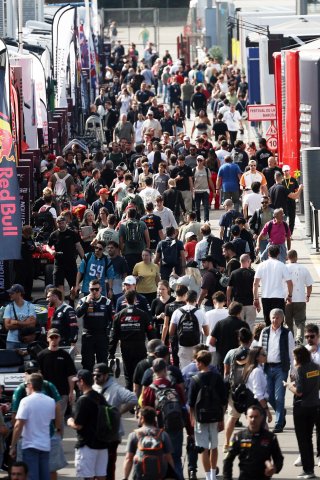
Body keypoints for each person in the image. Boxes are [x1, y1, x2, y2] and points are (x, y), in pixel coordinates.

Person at [141, 358, 186, 480]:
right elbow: (183, 406)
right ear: (166, 370)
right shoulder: (175, 386)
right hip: (175, 426)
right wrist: (190, 431)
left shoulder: (150, 389)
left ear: (153, 371)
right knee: (176, 459)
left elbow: (145, 410)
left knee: (159, 460)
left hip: (158, 429)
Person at [93, 363, 137, 480]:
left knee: (109, 466)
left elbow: (133, 398)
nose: (96, 378)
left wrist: (118, 412)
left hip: (111, 435)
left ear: (107, 375)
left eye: (99, 375)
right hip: (96, 434)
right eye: (94, 375)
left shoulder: (116, 389)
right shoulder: (93, 388)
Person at [188, 350, 227, 480]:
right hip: (215, 417)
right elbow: (223, 400)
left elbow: (191, 403)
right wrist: (222, 419)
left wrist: (191, 418)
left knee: (203, 448)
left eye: (197, 362)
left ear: (200, 363)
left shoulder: (194, 379)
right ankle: (213, 473)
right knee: (214, 446)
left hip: (200, 418)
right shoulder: (217, 378)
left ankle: (208, 475)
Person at [10, 373, 56, 480]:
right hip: (45, 445)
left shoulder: (25, 401)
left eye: (26, 385)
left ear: (30, 385)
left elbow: (18, 425)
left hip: (30, 445)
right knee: (45, 476)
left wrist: (12, 446)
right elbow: (50, 420)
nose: (25, 387)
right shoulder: (51, 401)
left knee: (32, 477)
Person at [284, 346, 320, 479]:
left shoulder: (300, 369)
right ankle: (310, 469)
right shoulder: (316, 367)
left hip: (301, 407)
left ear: (299, 357)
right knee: (309, 438)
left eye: (294, 357)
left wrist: (288, 386)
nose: (293, 360)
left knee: (303, 440)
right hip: (314, 405)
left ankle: (308, 469)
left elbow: (299, 391)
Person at [67, 369, 109, 480]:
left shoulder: (83, 400)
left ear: (82, 381)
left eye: (77, 381)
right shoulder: (100, 397)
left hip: (87, 446)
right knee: (101, 476)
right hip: (102, 444)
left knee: (86, 477)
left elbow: (78, 425)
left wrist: (70, 421)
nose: (76, 384)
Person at [109, 290, 155, 390]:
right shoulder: (143, 314)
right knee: (142, 374)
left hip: (126, 349)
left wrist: (111, 353)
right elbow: (151, 333)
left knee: (128, 376)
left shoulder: (119, 316)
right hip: (140, 348)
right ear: (135, 300)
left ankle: (130, 398)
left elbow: (114, 336)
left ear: (125, 300)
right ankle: (141, 399)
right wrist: (154, 350)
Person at [223, 404, 284, 480]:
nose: (253, 419)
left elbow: (279, 459)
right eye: (251, 417)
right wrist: (227, 478)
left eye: (256, 417)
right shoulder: (239, 437)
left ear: (261, 418)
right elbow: (228, 460)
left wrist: (274, 469)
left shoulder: (270, 437)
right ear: (246, 417)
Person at [258, 308, 295, 433]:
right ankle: (281, 411)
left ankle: (279, 424)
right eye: (273, 317)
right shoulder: (265, 331)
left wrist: (293, 371)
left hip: (281, 368)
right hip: (267, 367)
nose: (274, 320)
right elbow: (259, 350)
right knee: (268, 396)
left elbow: (292, 353)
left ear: (282, 319)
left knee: (280, 397)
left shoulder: (287, 333)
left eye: (277, 317)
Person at [123, 406, 175, 480]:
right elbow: (169, 457)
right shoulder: (163, 434)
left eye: (138, 417)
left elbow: (128, 458)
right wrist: (171, 476)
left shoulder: (134, 435)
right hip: (159, 475)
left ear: (143, 419)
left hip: (140, 476)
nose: (137, 419)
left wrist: (125, 477)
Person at [38, 328, 77, 419]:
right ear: (47, 339)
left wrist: (71, 392)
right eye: (52, 337)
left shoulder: (65, 355)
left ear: (59, 339)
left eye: (56, 337)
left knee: (59, 418)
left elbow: (71, 375)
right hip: (46, 393)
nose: (54, 340)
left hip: (62, 393)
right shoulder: (41, 355)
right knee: (47, 418)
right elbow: (38, 375)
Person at [76, 279, 113, 371]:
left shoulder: (107, 302)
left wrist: (110, 334)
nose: (94, 292)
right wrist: (87, 303)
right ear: (89, 289)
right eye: (92, 289)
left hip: (102, 335)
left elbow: (112, 319)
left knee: (102, 364)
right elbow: (78, 314)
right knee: (87, 363)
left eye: (96, 289)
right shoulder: (83, 300)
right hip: (88, 335)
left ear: (100, 289)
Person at [253, 244, 293, 326]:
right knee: (279, 322)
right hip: (279, 297)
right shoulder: (282, 265)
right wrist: (289, 295)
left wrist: (256, 298)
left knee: (268, 321)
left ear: (268, 254)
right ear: (278, 254)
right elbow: (289, 283)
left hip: (266, 296)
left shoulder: (261, 265)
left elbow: (255, 283)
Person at [169, 290, 209, 369]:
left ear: (185, 299)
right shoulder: (201, 313)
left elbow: (171, 332)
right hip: (196, 346)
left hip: (182, 346)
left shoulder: (177, 312)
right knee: (196, 369)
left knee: (184, 370)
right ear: (196, 299)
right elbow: (207, 333)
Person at [47, 215, 84, 293]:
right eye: (59, 223)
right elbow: (47, 246)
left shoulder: (72, 233)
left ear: (66, 223)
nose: (61, 225)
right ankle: (61, 303)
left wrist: (84, 258)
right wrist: (51, 251)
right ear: (57, 224)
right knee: (59, 287)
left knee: (74, 286)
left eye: (63, 223)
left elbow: (78, 246)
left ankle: (72, 302)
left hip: (71, 263)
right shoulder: (54, 234)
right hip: (59, 264)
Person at [209, 302, 248, 373]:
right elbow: (248, 342)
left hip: (222, 358)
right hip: (239, 358)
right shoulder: (243, 324)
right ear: (239, 311)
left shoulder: (220, 323)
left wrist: (219, 345)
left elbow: (211, 342)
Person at [285, 249, 313, 343]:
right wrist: (308, 296)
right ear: (297, 257)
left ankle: (290, 339)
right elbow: (309, 285)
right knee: (300, 321)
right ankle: (299, 339)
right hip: (300, 298)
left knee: (288, 322)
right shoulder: (303, 268)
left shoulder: (284, 268)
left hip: (287, 299)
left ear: (287, 257)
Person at [227, 254, 256, 331]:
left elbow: (229, 288)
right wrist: (256, 300)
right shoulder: (252, 273)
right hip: (250, 302)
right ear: (248, 261)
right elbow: (255, 288)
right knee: (250, 324)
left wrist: (228, 299)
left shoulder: (234, 273)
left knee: (239, 324)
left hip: (238, 303)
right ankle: (249, 341)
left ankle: (240, 340)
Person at [3, 284, 36, 350]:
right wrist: (26, 323)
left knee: (26, 360)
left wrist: (15, 322)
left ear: (19, 293)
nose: (10, 294)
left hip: (26, 339)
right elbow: (7, 326)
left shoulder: (30, 306)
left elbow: (32, 324)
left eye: (12, 293)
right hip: (11, 341)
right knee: (11, 360)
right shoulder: (9, 307)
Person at [243, 347, 272, 419]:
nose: (266, 355)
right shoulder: (257, 371)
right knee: (262, 428)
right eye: (263, 354)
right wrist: (267, 410)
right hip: (257, 405)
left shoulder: (255, 368)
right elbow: (258, 394)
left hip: (255, 404)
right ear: (257, 357)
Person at [119, 207, 150, 274]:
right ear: (136, 214)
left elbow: (121, 241)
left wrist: (122, 251)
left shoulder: (123, 225)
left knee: (130, 273)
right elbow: (147, 239)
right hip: (141, 253)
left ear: (127, 215)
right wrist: (147, 250)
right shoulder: (142, 224)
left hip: (128, 253)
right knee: (141, 273)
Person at [193, 156, 215, 223]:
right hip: (197, 191)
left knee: (206, 206)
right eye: (198, 160)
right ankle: (198, 220)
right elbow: (191, 181)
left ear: (203, 161)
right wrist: (192, 190)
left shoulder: (206, 170)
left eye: (201, 160)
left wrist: (213, 190)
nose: (199, 162)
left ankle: (206, 220)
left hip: (205, 190)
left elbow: (210, 180)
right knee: (197, 208)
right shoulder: (193, 170)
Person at [282, 164, 303, 234]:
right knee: (283, 218)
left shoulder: (293, 180)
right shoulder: (281, 180)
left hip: (291, 201)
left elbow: (296, 190)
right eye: (284, 171)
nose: (286, 172)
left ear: (289, 171)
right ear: (282, 172)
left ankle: (290, 233)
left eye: (287, 170)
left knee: (292, 218)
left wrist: (297, 198)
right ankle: (283, 233)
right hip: (284, 202)